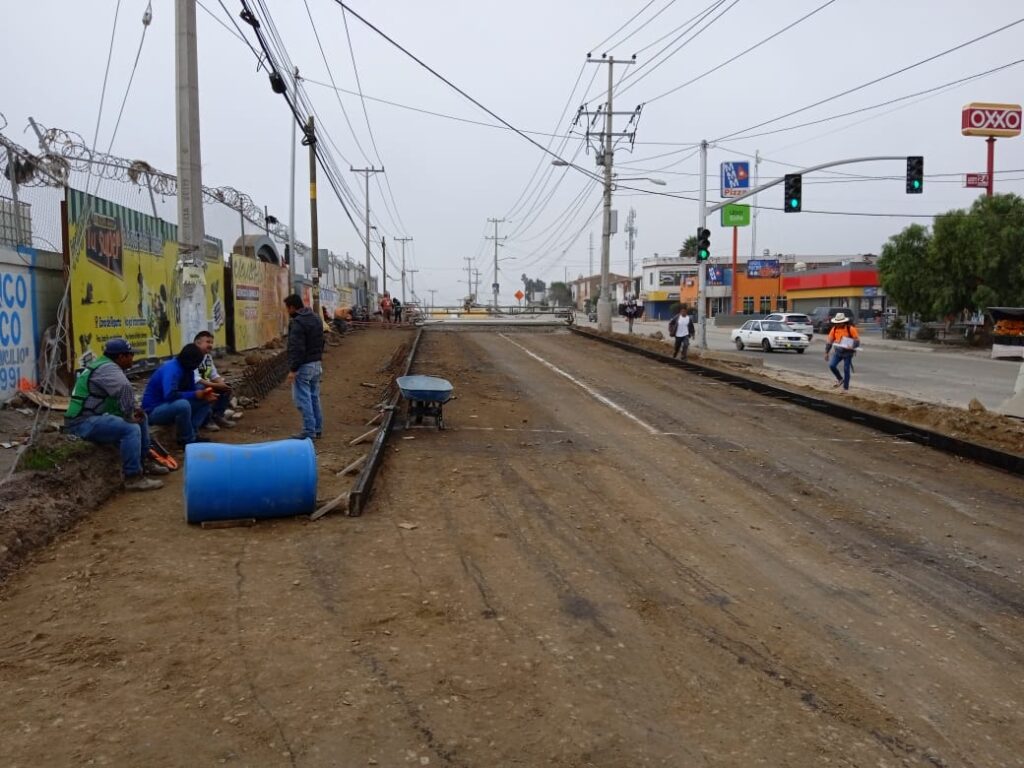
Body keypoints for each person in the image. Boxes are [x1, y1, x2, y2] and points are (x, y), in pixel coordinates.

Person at [63, 338, 166, 491]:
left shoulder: (105, 365)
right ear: (121, 357)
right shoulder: (108, 368)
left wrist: (133, 413)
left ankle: (144, 463)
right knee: (131, 429)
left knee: (141, 418)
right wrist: (129, 413)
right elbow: (125, 389)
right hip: (80, 422)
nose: (133, 358)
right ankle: (133, 478)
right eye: (130, 355)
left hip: (93, 416)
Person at [142, 343, 218, 446]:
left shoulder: (188, 370)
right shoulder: (172, 369)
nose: (197, 366)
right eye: (196, 363)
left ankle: (193, 433)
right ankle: (187, 440)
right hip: (154, 411)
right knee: (183, 405)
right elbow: (170, 395)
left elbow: (191, 390)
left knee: (206, 400)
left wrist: (203, 395)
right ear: (190, 360)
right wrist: (195, 394)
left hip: (169, 406)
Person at [284, 293, 325, 440]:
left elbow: (297, 348)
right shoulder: (316, 318)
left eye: (287, 308)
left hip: (304, 366)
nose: (287, 312)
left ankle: (309, 431)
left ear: (292, 307)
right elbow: (322, 341)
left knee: (303, 399)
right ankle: (317, 428)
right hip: (316, 364)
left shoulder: (297, 323)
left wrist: (293, 369)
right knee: (314, 397)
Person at [192, 330, 235, 432]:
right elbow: (196, 379)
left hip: (205, 384)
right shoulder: (191, 356)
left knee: (226, 387)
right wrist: (214, 385)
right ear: (198, 342)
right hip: (194, 387)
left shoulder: (208, 357)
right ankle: (207, 420)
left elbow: (214, 375)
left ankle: (218, 416)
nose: (210, 345)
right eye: (207, 342)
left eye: (211, 342)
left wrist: (222, 384)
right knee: (204, 389)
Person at [825, 312, 861, 392]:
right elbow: (829, 341)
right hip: (838, 351)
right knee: (832, 365)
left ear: (844, 322)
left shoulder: (850, 329)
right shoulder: (834, 329)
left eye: (839, 323)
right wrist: (826, 352)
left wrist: (852, 346)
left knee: (846, 369)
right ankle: (840, 379)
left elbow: (857, 341)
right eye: (836, 323)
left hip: (848, 352)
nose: (838, 324)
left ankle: (845, 388)